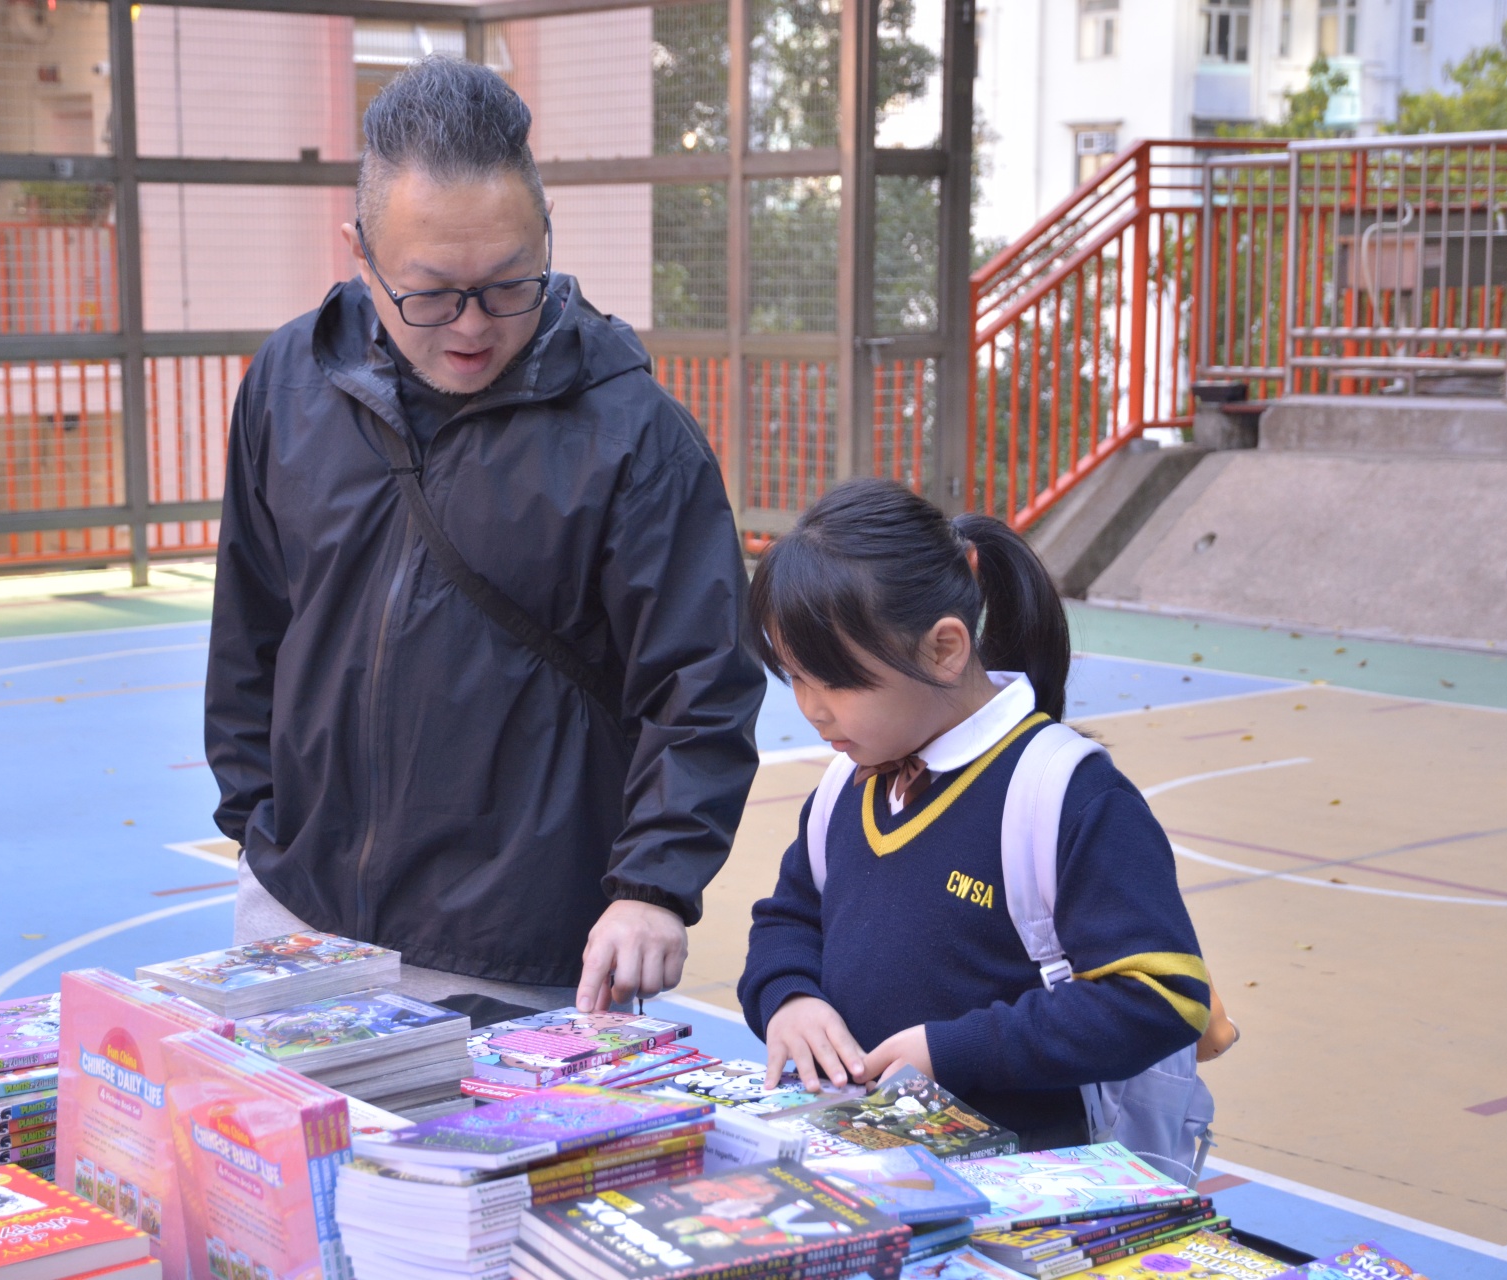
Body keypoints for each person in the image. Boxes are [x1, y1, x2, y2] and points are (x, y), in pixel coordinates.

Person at [206, 56, 764, 1014]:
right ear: (360, 253)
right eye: (430, 294)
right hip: (296, 917)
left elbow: (701, 682)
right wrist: (260, 822)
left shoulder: (634, 436)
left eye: (510, 285)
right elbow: (251, 622)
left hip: (516, 954)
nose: (471, 327)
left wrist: (653, 886)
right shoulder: (289, 383)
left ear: (546, 236)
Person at [735, 478, 1208, 1150]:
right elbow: (788, 918)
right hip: (861, 1157)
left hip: (1019, 1184)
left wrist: (954, 1050)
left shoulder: (1062, 792)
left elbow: (1163, 997)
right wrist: (788, 998)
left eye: (835, 681)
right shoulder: (846, 786)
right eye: (795, 677)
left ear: (944, 650)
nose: (811, 709)